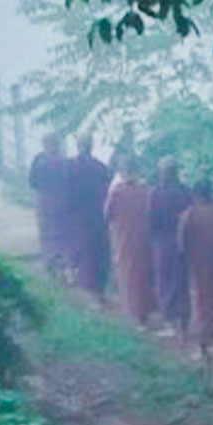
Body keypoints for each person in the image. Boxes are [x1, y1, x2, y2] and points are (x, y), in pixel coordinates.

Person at [178, 181, 213, 364]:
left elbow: (181, 245)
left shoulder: (189, 214)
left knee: (202, 305)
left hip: (200, 268)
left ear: (196, 195)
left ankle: (203, 349)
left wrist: (188, 262)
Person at [105, 156, 155, 326]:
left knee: (128, 271)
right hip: (144, 237)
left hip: (124, 237)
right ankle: (146, 310)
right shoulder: (146, 191)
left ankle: (133, 310)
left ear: (123, 171)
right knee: (144, 272)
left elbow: (107, 214)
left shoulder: (117, 192)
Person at [147, 159, 193, 338]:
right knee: (181, 281)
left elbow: (151, 222)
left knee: (165, 281)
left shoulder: (156, 193)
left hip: (163, 242)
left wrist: (152, 241)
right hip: (183, 243)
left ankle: (171, 323)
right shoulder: (185, 192)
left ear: (163, 172)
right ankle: (184, 324)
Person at [66, 135, 113, 301]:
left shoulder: (70, 166)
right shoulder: (100, 167)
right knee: (96, 250)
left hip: (76, 214)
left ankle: (77, 278)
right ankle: (97, 289)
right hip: (96, 214)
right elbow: (106, 191)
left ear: (78, 146)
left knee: (79, 247)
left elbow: (66, 191)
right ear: (91, 146)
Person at [30, 133, 73, 280]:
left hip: (44, 201)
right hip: (62, 201)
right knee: (62, 231)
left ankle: (49, 261)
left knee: (46, 230)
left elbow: (32, 181)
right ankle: (63, 261)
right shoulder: (65, 162)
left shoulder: (39, 160)